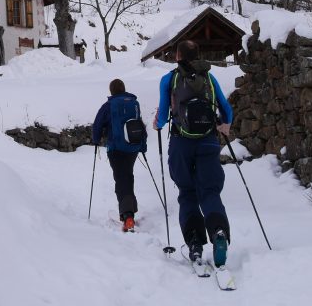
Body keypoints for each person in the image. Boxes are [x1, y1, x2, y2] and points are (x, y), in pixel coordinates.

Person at [154, 39, 234, 268]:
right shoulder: (209, 77)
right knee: (209, 192)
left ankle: (195, 245)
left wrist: (157, 124)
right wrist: (224, 125)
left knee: (187, 193)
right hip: (208, 141)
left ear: (178, 56)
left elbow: (162, 114)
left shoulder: (169, 79)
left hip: (181, 143)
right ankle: (218, 232)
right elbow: (227, 110)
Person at [91, 78, 148, 232]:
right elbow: (139, 124)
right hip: (133, 148)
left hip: (116, 149)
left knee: (121, 179)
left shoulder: (108, 106)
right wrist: (142, 146)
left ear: (111, 91)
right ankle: (129, 210)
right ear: (123, 89)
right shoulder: (133, 103)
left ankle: (127, 216)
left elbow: (97, 125)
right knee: (127, 176)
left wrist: (96, 140)